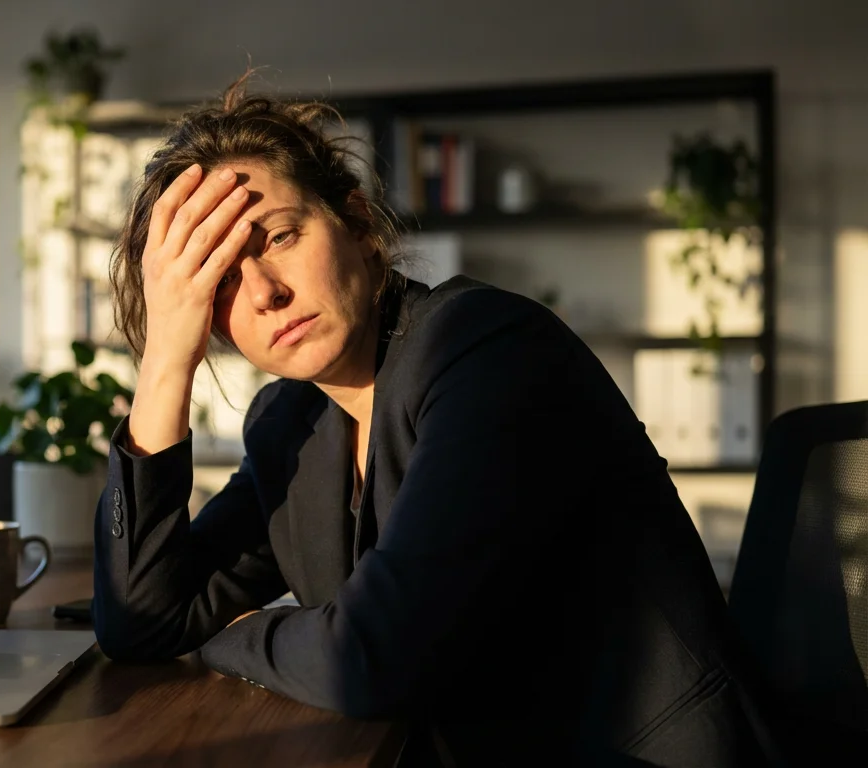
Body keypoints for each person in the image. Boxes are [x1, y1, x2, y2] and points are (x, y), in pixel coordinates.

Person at [90, 72, 778, 766]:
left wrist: (229, 633)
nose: (265, 292)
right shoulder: (290, 424)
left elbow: (374, 658)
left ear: (358, 226)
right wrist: (165, 363)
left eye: (278, 237)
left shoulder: (483, 350)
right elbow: (144, 619)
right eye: (221, 281)